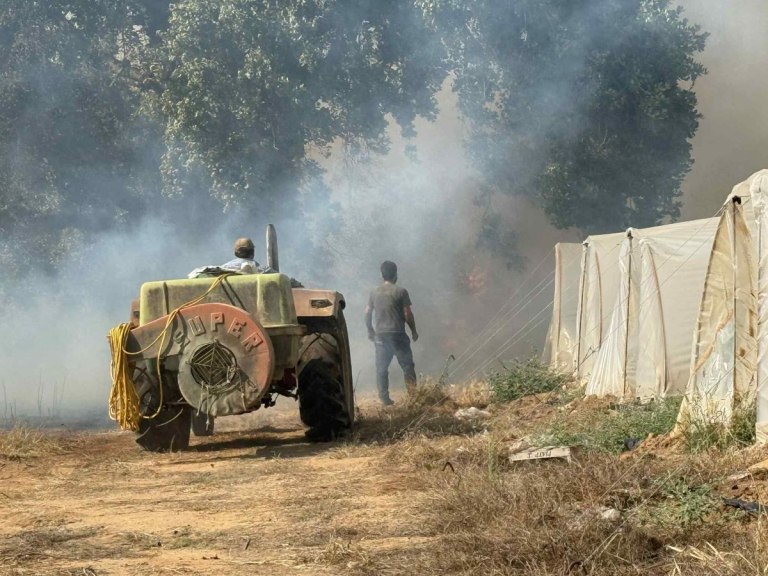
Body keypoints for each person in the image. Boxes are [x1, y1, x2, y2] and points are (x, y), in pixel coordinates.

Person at [364, 260, 418, 406]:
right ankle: (413, 397)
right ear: (395, 274)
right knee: (407, 366)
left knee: (381, 368)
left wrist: (370, 330)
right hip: (398, 335)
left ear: (382, 275)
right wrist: (413, 330)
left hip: (381, 336)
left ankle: (384, 399)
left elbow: (367, 312)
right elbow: (407, 313)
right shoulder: (401, 291)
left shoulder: (374, 292)